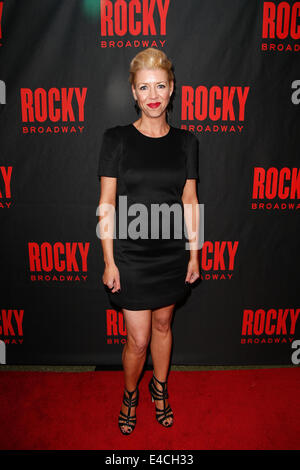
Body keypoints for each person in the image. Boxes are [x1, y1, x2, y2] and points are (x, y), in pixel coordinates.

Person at [97, 47, 200, 435]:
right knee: (137, 340)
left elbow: (189, 201)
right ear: (134, 93)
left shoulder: (187, 142)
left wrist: (194, 253)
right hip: (132, 255)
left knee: (163, 325)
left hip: (172, 254)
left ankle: (160, 389)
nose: (153, 94)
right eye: (144, 87)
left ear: (171, 89)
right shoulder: (116, 139)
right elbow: (106, 205)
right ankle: (130, 394)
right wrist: (109, 261)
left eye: (160, 85)